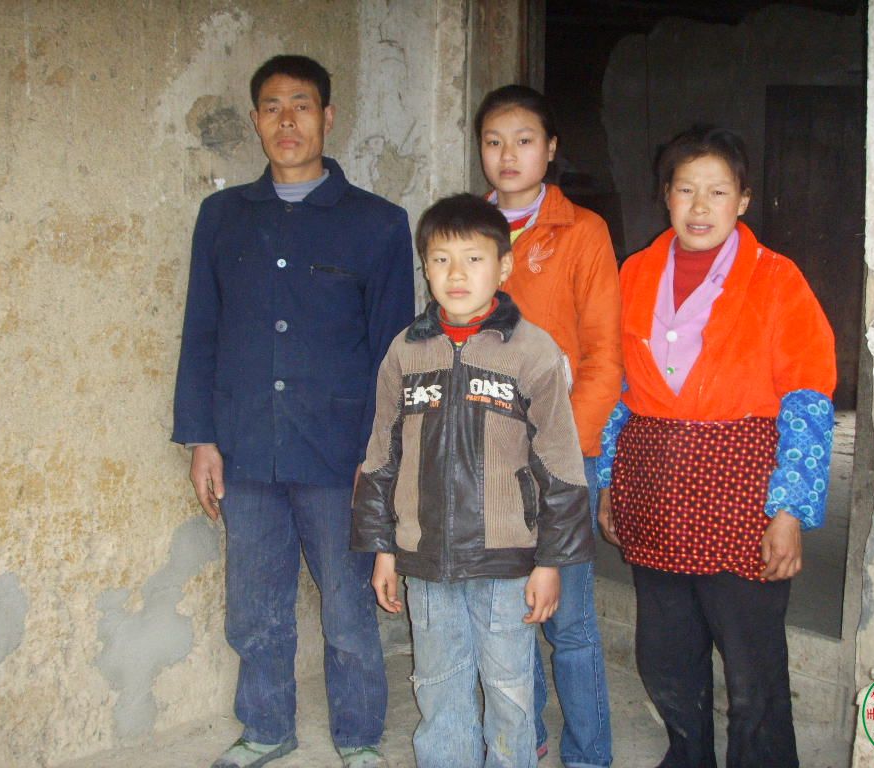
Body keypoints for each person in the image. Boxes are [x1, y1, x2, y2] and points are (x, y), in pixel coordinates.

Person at [171, 54, 414, 768]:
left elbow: (393, 350)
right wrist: (201, 437)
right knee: (254, 607)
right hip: (246, 446)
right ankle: (267, 727)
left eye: (302, 105)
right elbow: (201, 330)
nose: (287, 121)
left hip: (339, 454)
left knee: (347, 609)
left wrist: (381, 457)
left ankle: (359, 736)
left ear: (327, 117)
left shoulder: (377, 223)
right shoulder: (223, 217)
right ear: (255, 121)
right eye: (273, 107)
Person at [596, 125, 836, 768]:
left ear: (743, 200)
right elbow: (619, 390)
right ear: (665, 196)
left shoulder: (777, 279)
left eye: (718, 191)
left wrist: (789, 510)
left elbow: (809, 401)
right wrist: (608, 482)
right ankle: (688, 755)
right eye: (685, 190)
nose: (700, 207)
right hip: (653, 490)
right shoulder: (636, 273)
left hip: (742, 495)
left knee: (752, 662)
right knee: (666, 654)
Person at [352, 193, 596, 768]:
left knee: (510, 691)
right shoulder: (405, 352)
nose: (456, 274)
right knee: (438, 687)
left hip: (506, 563)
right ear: (425, 268)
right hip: (425, 558)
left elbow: (561, 465)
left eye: (474, 259)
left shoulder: (532, 351)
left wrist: (551, 561)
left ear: (504, 266)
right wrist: (383, 549)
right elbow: (381, 455)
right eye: (440, 260)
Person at [474, 84, 620, 768]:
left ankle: (589, 754)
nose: (508, 155)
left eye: (524, 140)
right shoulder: (467, 228)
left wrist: (567, 456)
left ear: (551, 148)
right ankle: (524, 738)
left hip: (561, 453)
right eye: (494, 141)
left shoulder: (582, 232)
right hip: (486, 452)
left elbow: (604, 356)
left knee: (571, 620)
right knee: (510, 613)